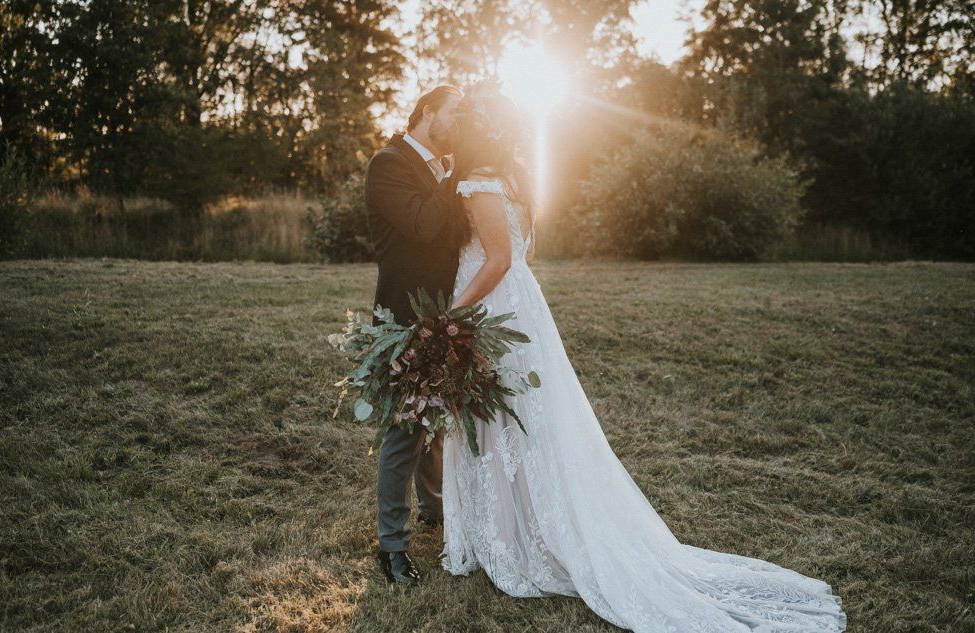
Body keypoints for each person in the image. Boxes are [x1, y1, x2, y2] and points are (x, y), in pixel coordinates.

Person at [440, 83, 847, 632]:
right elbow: (528, 251)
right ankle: (518, 528)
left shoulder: (481, 182)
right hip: (523, 306)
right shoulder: (515, 176)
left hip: (493, 306)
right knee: (521, 422)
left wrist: (450, 314)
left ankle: (513, 543)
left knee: (502, 419)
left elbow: (500, 259)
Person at [363, 84, 463, 586]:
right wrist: (459, 173)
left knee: (435, 420)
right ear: (428, 114)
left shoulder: (441, 168)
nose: (461, 125)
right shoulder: (389, 162)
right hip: (405, 314)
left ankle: (434, 509)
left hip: (443, 310)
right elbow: (423, 225)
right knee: (405, 429)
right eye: (455, 114)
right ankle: (391, 547)